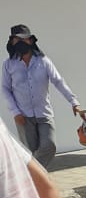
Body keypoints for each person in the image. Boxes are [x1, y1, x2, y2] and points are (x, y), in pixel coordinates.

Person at [1, 25, 81, 170]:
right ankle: (35, 177)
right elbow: (6, 89)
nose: (20, 43)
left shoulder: (43, 61)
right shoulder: (8, 65)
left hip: (44, 113)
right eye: (16, 40)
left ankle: (29, 173)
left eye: (23, 39)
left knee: (49, 145)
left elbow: (58, 81)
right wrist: (15, 112)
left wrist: (73, 102)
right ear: (11, 42)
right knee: (29, 151)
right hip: (23, 116)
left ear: (30, 40)